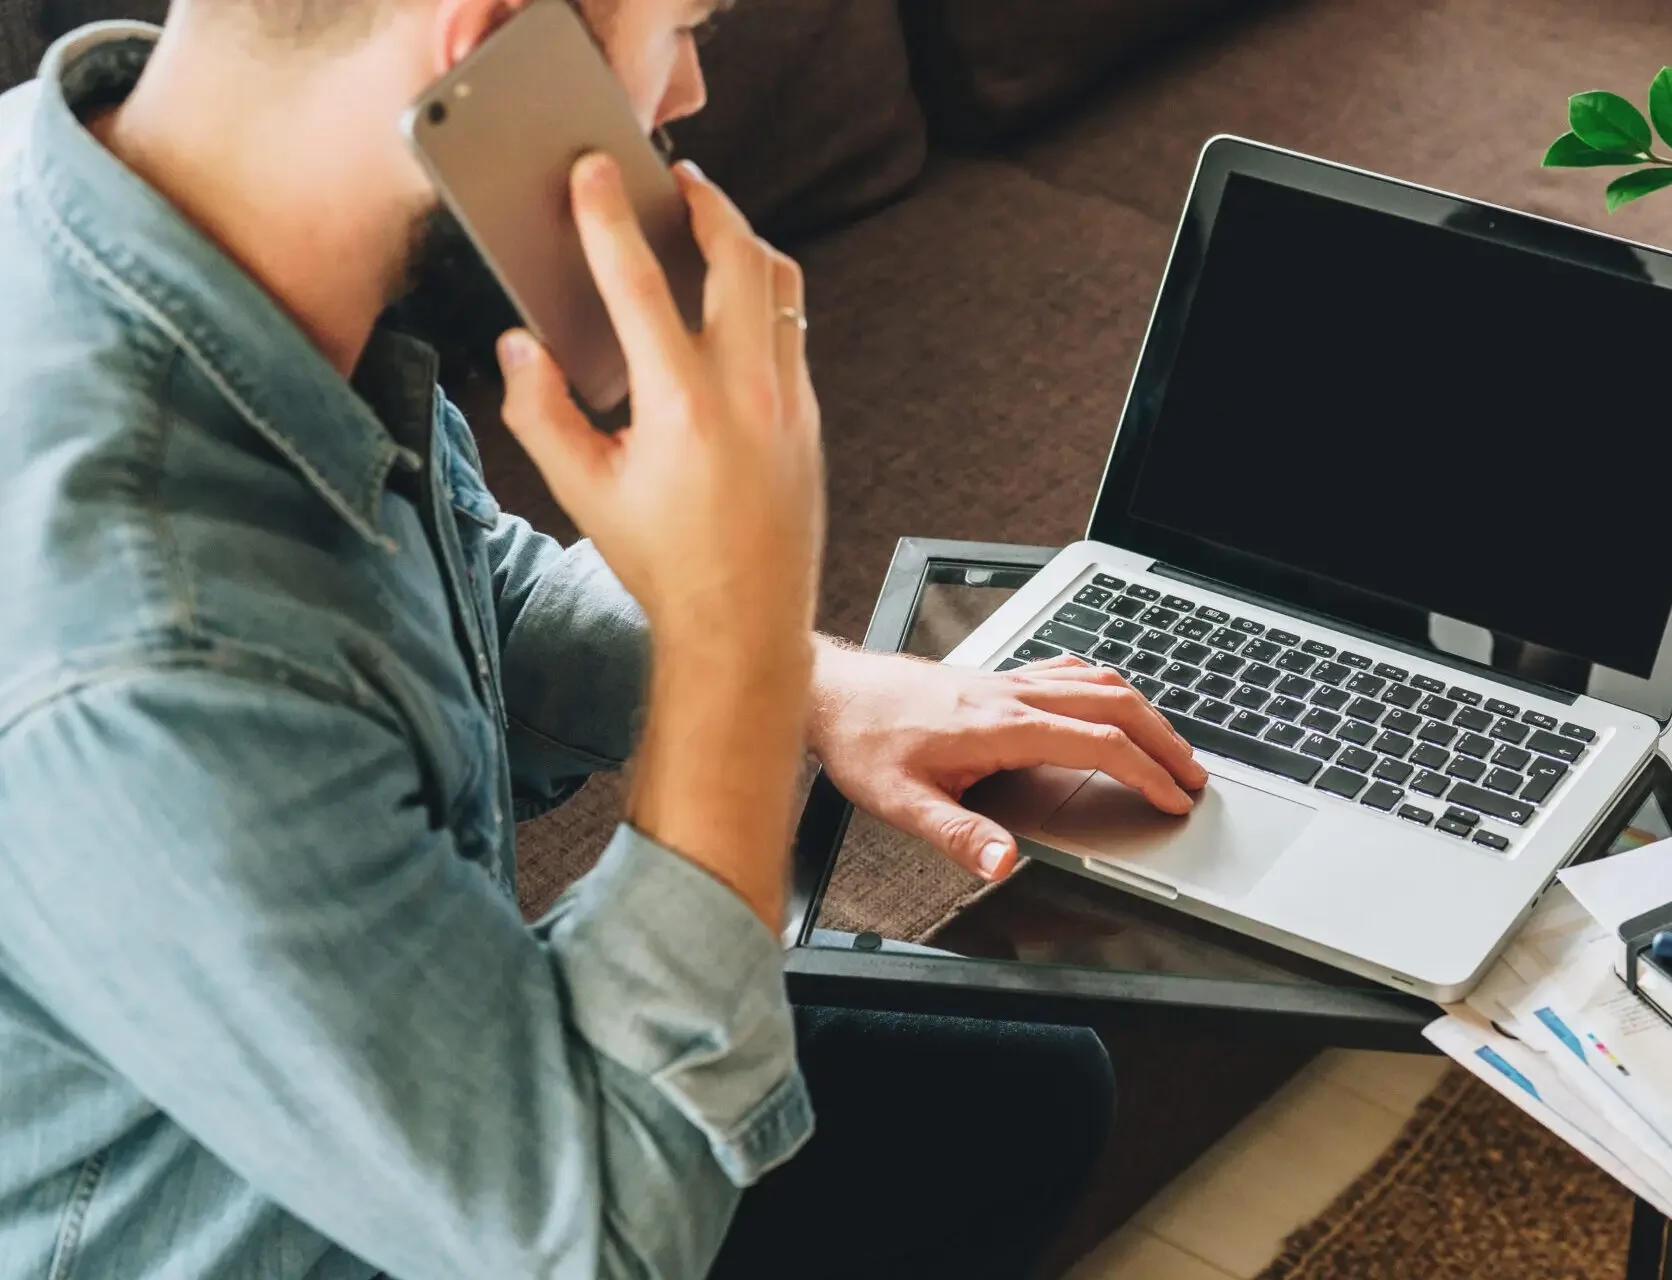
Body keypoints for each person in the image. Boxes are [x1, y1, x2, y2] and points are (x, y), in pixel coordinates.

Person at [0, 0, 1210, 1275]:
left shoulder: (132, 196)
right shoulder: (153, 648)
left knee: (1013, 1106)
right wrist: (730, 629)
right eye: (682, 28)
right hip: (310, 1234)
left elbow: (469, 591)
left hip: (396, 1096)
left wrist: (814, 683)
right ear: (489, 49)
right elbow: (604, 1243)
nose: (685, 93)